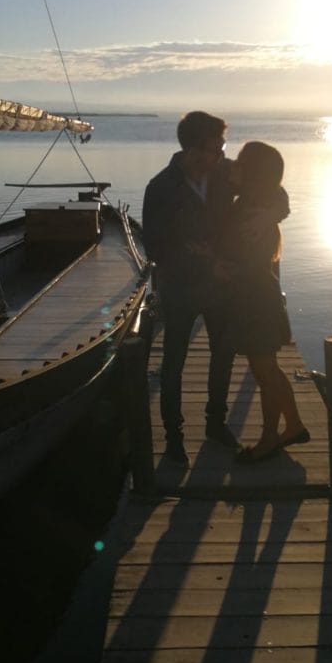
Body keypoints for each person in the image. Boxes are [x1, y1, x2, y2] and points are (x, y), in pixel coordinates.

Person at [142, 110, 239, 465]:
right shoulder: (160, 187)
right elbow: (154, 247)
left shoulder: (226, 175)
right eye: (216, 148)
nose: (222, 154)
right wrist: (198, 257)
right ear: (194, 150)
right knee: (174, 363)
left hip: (220, 288)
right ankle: (174, 437)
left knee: (224, 354)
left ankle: (216, 423)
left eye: (222, 147)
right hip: (180, 289)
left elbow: (271, 193)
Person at [224, 141, 309, 463]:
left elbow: (241, 256)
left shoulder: (249, 212)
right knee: (269, 370)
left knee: (265, 374)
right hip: (262, 296)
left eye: (240, 162)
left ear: (252, 172)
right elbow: (279, 195)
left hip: (256, 301)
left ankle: (269, 439)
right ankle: (295, 425)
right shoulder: (256, 204)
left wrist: (220, 265)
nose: (233, 164)